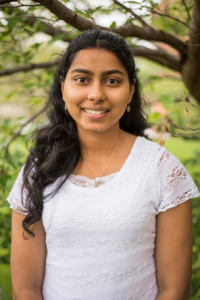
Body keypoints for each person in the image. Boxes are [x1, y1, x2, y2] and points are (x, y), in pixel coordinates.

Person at [7, 30, 199, 300]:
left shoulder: (163, 169)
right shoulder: (40, 168)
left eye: (112, 80)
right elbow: (26, 289)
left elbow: (173, 291)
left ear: (131, 90)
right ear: (63, 86)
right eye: (82, 79)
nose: (96, 94)